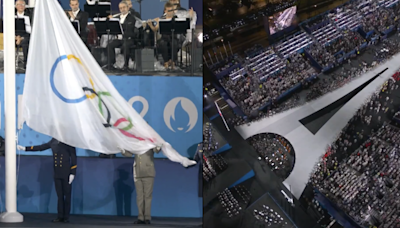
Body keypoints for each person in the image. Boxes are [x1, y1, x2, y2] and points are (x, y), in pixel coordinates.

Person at [17, 138, 77, 223]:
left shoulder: (69, 142)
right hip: (57, 173)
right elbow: (41, 147)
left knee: (67, 196)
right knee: (59, 196)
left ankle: (66, 217)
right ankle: (60, 216)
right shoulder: (54, 141)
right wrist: (25, 148)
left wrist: (73, 173)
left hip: (66, 173)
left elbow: (73, 158)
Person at [121, 146, 161, 225]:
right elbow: (128, 154)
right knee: (139, 196)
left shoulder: (149, 142)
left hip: (148, 172)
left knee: (147, 196)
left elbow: (156, 150)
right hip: (137, 173)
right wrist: (122, 149)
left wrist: (158, 145)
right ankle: (140, 217)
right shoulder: (135, 143)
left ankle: (147, 217)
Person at [106, 1, 138, 70]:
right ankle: (111, 64)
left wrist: (119, 24)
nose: (122, 9)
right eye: (120, 8)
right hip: (119, 39)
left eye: (124, 7)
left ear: (127, 8)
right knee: (109, 45)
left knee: (125, 45)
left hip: (129, 39)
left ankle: (126, 65)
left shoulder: (132, 18)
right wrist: (111, 21)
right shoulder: (117, 17)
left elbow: (130, 29)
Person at [15, 0, 33, 68]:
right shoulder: (11, 15)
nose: (21, 6)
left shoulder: (30, 15)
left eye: (23, 5)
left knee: (25, 42)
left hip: (26, 35)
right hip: (14, 36)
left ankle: (26, 64)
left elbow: (31, 30)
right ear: (16, 6)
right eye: (19, 4)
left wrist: (20, 38)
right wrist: (16, 38)